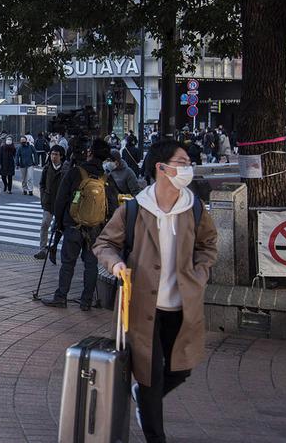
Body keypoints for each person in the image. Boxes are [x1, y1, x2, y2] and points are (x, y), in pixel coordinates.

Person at [93, 139, 218, 443]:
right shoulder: (135, 209)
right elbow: (104, 243)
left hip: (182, 306)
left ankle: (143, 397)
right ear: (162, 168)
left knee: (181, 368)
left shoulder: (195, 208)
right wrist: (116, 265)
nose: (187, 168)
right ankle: (155, 435)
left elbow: (208, 245)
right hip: (142, 308)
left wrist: (200, 273)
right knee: (151, 376)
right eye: (182, 162)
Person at [42, 139, 119, 310]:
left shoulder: (75, 172)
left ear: (90, 152)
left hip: (73, 225)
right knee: (91, 265)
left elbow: (60, 200)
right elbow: (113, 206)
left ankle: (61, 297)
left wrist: (59, 225)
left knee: (68, 263)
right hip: (95, 229)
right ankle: (86, 301)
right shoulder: (106, 177)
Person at [34, 145, 66, 260]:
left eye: (56, 154)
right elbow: (42, 184)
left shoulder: (65, 169)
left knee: (61, 227)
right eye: (52, 154)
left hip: (61, 203)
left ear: (61, 156)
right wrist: (43, 197)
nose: (53, 156)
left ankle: (59, 249)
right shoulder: (47, 168)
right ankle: (42, 249)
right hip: (48, 201)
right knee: (44, 224)